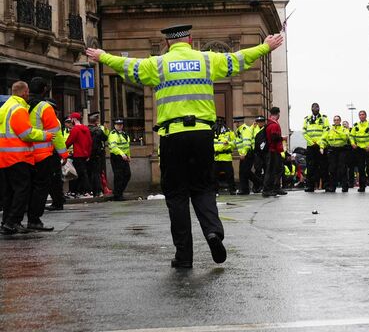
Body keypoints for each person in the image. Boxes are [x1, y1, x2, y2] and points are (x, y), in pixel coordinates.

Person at [86, 24, 284, 268]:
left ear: (168, 43)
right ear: (190, 40)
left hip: (172, 137)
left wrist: (101, 56)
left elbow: (128, 66)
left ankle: (184, 255)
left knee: (177, 196)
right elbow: (239, 59)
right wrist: (266, 46)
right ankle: (213, 232)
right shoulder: (207, 60)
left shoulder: (158, 64)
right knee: (203, 189)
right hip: (202, 136)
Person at [0, 81, 54, 234]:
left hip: (4, 156)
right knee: (22, 190)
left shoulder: (5, 107)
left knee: (9, 192)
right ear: (24, 92)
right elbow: (26, 133)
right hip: (18, 156)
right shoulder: (18, 109)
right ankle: (13, 222)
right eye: (27, 92)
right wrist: (47, 135)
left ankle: (6, 222)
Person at [26, 77, 67, 226]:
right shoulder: (44, 107)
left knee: (27, 188)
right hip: (42, 155)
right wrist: (63, 153)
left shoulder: (22, 105)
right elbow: (55, 133)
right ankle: (34, 219)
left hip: (23, 154)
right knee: (41, 187)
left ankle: (15, 220)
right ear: (44, 90)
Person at [258, 107, 285, 197]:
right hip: (273, 150)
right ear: (278, 114)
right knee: (271, 170)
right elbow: (274, 137)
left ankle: (275, 188)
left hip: (273, 150)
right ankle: (267, 189)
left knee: (277, 169)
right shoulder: (274, 125)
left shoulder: (270, 123)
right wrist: (282, 138)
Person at [65, 112, 93, 198]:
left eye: (71, 119)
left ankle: (86, 191)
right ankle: (78, 191)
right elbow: (90, 142)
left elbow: (69, 142)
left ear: (74, 119)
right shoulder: (86, 128)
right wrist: (88, 154)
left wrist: (62, 150)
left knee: (79, 174)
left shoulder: (75, 129)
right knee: (82, 173)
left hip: (77, 154)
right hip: (85, 154)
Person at [302, 103, 329, 192]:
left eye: (317, 107)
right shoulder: (307, 119)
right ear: (311, 109)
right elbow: (304, 132)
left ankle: (326, 185)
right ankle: (310, 186)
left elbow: (326, 131)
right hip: (311, 146)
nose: (316, 109)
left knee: (323, 166)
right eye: (314, 107)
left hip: (320, 146)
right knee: (310, 167)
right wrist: (311, 142)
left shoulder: (324, 118)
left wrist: (318, 142)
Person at [350, 110, 369, 192]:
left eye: (363, 115)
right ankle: (362, 187)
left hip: (368, 149)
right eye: (360, 115)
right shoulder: (356, 125)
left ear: (365, 116)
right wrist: (353, 143)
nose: (361, 116)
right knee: (361, 168)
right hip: (359, 149)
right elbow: (351, 136)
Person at [321, 115, 349, 193]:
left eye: (337, 120)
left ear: (340, 121)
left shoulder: (344, 129)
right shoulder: (329, 130)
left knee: (342, 168)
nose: (336, 121)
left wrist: (338, 132)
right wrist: (322, 147)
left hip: (342, 149)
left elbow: (346, 137)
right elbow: (324, 139)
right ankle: (332, 187)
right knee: (332, 169)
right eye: (335, 120)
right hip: (332, 150)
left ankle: (344, 187)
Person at [107, 119, 131, 201]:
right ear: (114, 125)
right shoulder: (113, 134)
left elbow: (127, 146)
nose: (119, 126)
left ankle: (119, 192)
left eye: (121, 124)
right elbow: (114, 147)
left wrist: (128, 156)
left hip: (124, 157)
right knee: (119, 176)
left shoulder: (124, 134)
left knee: (127, 174)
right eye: (117, 124)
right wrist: (122, 154)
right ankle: (117, 195)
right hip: (116, 157)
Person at [212, 116, 237, 196]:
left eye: (221, 121)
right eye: (218, 121)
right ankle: (215, 191)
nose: (219, 123)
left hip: (226, 157)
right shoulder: (212, 132)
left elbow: (234, 143)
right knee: (214, 176)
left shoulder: (229, 132)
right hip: (217, 157)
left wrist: (228, 144)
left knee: (230, 175)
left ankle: (232, 190)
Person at [87, 112, 108, 197]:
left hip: (88, 154)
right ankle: (98, 190)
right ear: (96, 122)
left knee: (89, 172)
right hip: (97, 154)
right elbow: (105, 138)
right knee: (97, 173)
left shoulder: (86, 129)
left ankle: (90, 190)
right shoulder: (98, 130)